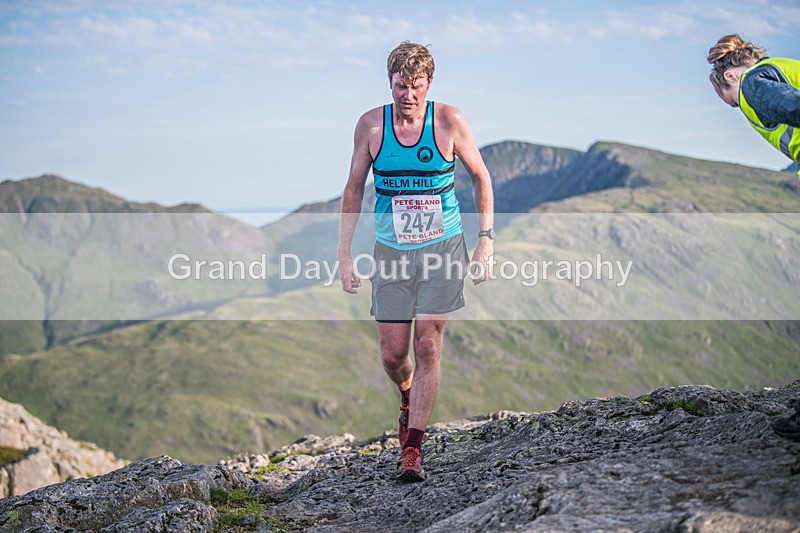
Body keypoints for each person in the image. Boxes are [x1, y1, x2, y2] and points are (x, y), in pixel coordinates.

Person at [337, 42, 494, 482]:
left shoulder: (449, 121)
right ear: (390, 83)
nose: (408, 95)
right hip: (391, 251)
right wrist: (344, 253)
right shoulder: (371, 126)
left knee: (428, 341)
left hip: (442, 246)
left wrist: (485, 241)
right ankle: (406, 392)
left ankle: (413, 449)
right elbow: (353, 189)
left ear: (429, 85)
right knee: (393, 354)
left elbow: (481, 177)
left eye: (417, 87)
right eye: (401, 86)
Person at [708, 35, 800, 442]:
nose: (729, 105)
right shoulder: (780, 69)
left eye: (723, 95)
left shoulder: (755, 84)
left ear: (730, 75)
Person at [707, 34, 800, 176]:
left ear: (730, 76)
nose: (745, 106)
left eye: (735, 102)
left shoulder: (750, 83)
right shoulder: (781, 66)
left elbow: (795, 107)